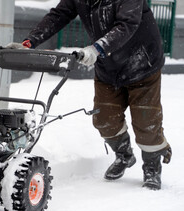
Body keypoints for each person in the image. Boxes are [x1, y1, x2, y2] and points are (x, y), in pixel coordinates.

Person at [10, 0, 172, 190]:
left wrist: (97, 48)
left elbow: (128, 23)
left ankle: (152, 166)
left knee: (146, 123)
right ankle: (124, 155)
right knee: (104, 119)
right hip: (108, 67)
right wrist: (30, 42)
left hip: (142, 63)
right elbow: (58, 15)